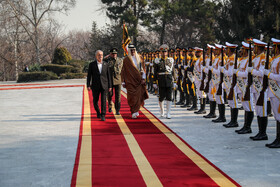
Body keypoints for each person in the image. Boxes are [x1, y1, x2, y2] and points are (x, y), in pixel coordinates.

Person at [121, 44, 149, 119]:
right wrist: (123, 81)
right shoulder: (126, 60)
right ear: (129, 51)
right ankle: (133, 110)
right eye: (131, 50)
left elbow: (143, 69)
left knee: (138, 96)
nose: (132, 51)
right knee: (131, 97)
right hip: (129, 81)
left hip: (138, 81)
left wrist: (143, 78)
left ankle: (135, 111)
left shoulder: (140, 58)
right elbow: (123, 71)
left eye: (133, 50)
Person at [87, 50, 112, 121]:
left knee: (104, 101)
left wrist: (110, 86)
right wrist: (88, 85)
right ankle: (98, 112)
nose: (100, 56)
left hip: (104, 85)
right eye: (99, 55)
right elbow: (89, 76)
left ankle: (103, 114)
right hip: (95, 85)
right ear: (96, 56)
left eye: (101, 55)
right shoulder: (92, 64)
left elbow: (108, 76)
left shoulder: (106, 64)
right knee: (95, 101)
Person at [265, 38, 280, 148]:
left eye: (274, 47)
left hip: (278, 91)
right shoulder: (276, 59)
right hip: (273, 92)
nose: (272, 49)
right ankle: (277, 138)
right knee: (277, 116)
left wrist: (269, 75)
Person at [153, 44, 175, 119]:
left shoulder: (171, 60)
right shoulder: (157, 61)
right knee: (161, 97)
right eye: (162, 52)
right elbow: (155, 72)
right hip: (161, 80)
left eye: (165, 52)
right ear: (160, 52)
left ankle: (168, 113)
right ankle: (162, 111)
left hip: (169, 80)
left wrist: (174, 81)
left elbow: (173, 71)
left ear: (167, 52)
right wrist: (154, 82)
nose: (164, 53)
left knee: (169, 97)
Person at [105, 48, 123, 115]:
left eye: (115, 53)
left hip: (118, 80)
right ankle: (110, 106)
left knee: (118, 96)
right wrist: (105, 58)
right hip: (110, 80)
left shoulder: (120, 60)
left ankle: (117, 109)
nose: (114, 55)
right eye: (112, 54)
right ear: (110, 54)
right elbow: (100, 63)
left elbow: (121, 70)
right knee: (109, 94)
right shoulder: (107, 60)